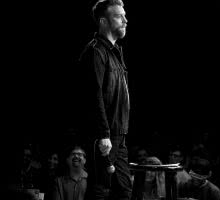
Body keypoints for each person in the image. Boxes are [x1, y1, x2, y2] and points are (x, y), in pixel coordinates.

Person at [75, 0, 132, 199]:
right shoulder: (95, 51)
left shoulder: (115, 53)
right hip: (104, 136)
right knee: (100, 189)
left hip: (119, 134)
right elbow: (94, 95)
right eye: (119, 16)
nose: (125, 20)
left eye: (124, 15)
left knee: (123, 191)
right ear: (103, 22)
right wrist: (103, 133)